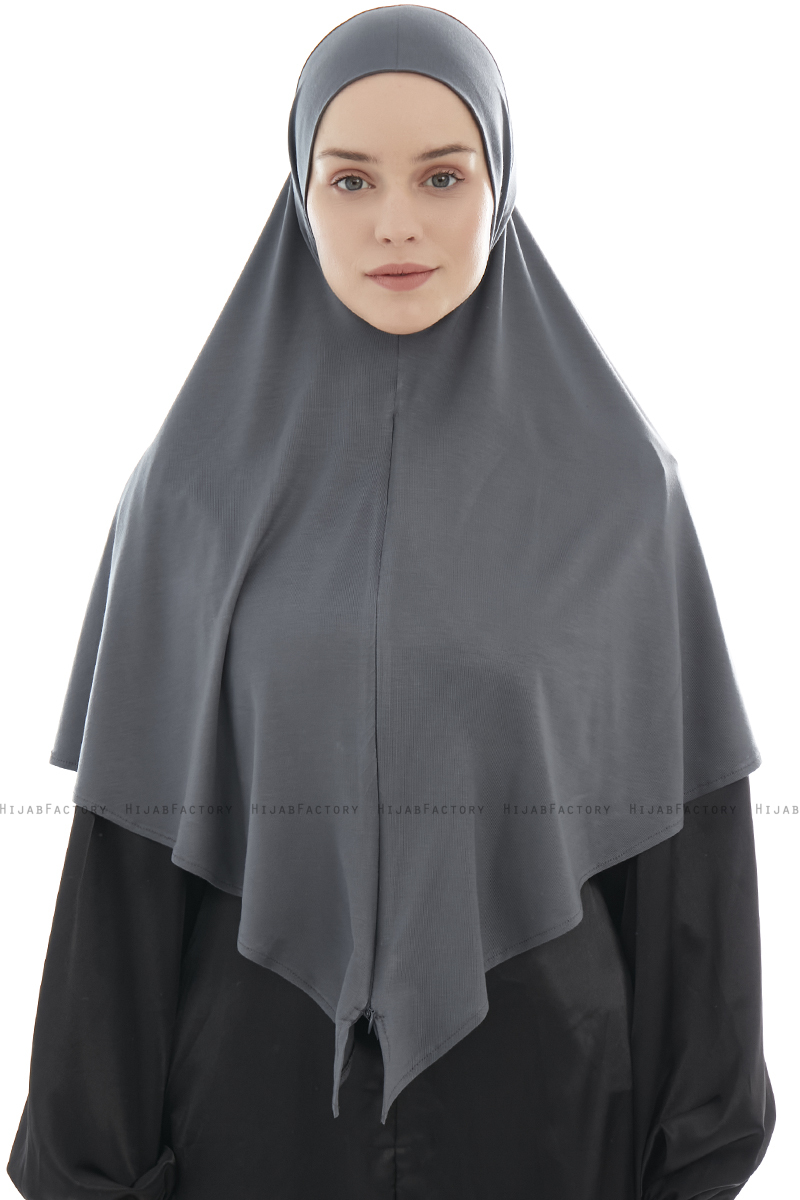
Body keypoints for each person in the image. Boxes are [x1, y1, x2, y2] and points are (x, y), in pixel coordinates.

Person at [7, 6, 775, 1199]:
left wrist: (692, 1162)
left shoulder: (619, 492)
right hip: (250, 1112)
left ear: (499, 185)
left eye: (442, 176)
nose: (397, 223)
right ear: (299, 189)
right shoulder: (190, 492)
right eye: (351, 179)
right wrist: (89, 1170)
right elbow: (126, 872)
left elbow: (687, 865)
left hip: (550, 1106)